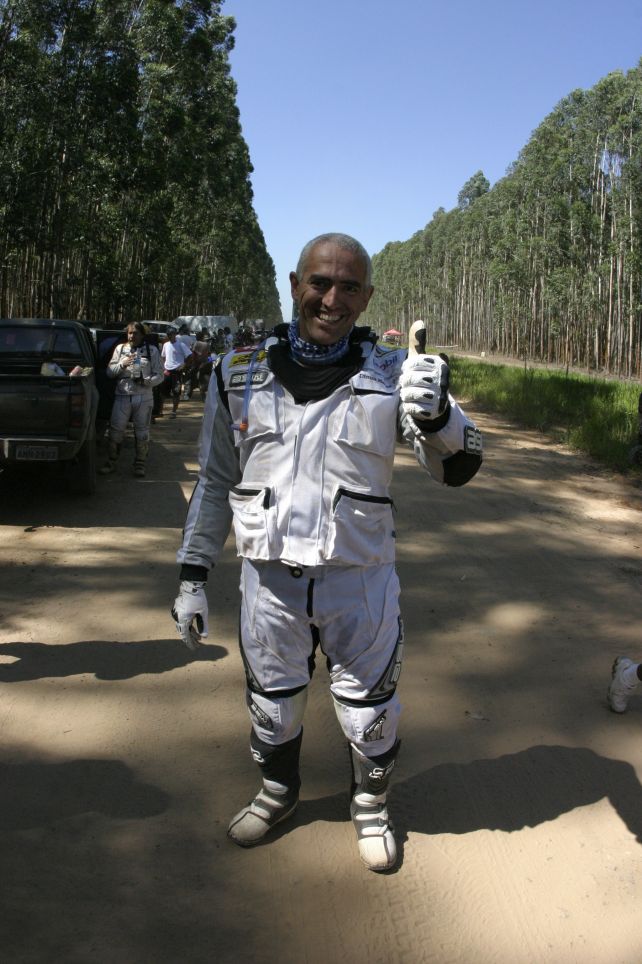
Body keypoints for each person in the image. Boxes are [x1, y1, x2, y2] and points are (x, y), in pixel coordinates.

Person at [170, 232, 483, 871]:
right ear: (294, 284)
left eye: (348, 287)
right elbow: (213, 479)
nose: (331, 298)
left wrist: (439, 414)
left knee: (371, 716)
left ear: (367, 296)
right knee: (272, 707)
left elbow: (457, 469)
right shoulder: (238, 372)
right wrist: (192, 574)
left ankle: (370, 806)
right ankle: (278, 792)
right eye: (319, 282)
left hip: (359, 583)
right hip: (269, 582)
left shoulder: (397, 374)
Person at [99, 322, 163, 477]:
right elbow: (109, 373)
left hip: (144, 396)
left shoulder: (152, 350)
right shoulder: (120, 350)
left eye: (135, 333)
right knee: (115, 431)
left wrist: (146, 381)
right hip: (122, 395)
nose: (131, 336)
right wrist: (122, 364)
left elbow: (160, 376)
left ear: (142, 334)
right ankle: (112, 461)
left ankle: (140, 464)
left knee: (142, 432)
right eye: (129, 333)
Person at [160, 327, 193, 418]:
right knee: (162, 392)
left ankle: (173, 412)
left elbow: (190, 356)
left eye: (172, 334)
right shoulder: (166, 345)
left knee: (176, 392)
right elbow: (163, 356)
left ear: (175, 334)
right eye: (169, 335)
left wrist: (184, 365)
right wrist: (164, 367)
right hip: (167, 372)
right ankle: (160, 410)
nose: (170, 336)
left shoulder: (181, 345)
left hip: (177, 372)